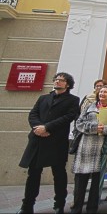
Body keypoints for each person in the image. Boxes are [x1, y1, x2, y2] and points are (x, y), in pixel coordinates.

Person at [17, 72, 80, 214]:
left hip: (56, 141)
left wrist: (47, 127)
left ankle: (59, 205)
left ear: (67, 84)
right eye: (56, 79)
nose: (57, 82)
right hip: (38, 140)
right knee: (33, 174)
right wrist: (38, 127)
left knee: (59, 174)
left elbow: (69, 117)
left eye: (61, 80)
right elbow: (33, 114)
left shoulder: (73, 100)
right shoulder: (43, 98)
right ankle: (27, 206)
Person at [71, 85, 107, 213]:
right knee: (81, 180)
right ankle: (77, 207)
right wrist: (94, 128)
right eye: (101, 92)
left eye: (105, 92)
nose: (102, 94)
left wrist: (106, 129)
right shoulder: (89, 107)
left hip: (102, 148)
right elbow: (79, 123)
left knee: (96, 182)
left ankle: (92, 208)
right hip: (86, 147)